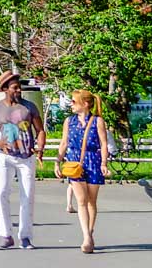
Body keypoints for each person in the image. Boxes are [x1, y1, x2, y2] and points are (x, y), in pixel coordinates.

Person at [0, 71, 46, 250]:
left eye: (19, 87)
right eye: (14, 88)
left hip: (26, 157)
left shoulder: (29, 106)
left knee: (27, 196)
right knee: (1, 193)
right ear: (5, 89)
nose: (18, 90)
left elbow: (40, 130)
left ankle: (25, 236)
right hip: (5, 156)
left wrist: (40, 147)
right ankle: (6, 235)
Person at [55, 89, 112, 254]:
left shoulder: (97, 121)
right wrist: (57, 162)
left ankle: (90, 231)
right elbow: (64, 142)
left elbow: (103, 144)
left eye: (73, 101)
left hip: (93, 161)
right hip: (74, 163)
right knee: (81, 200)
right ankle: (86, 236)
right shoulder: (69, 121)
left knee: (91, 201)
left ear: (85, 104)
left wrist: (103, 163)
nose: (71, 104)